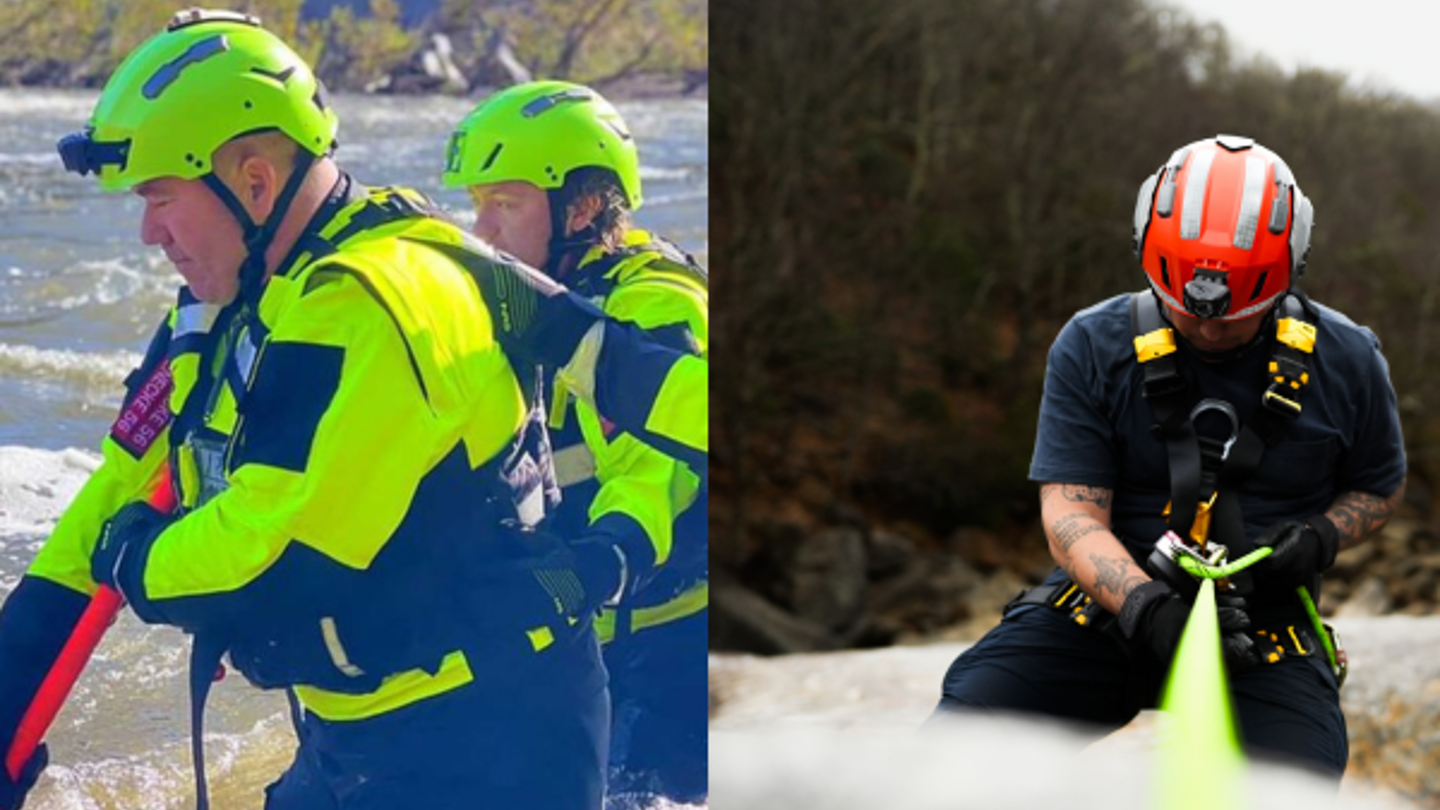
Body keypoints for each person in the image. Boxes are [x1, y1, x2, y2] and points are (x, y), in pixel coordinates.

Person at [0, 10, 622, 809]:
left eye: (160, 198)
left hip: (485, 739)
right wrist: (12, 692)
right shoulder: (228, 301)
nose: (148, 231)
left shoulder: (372, 299)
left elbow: (270, 551)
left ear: (254, 181)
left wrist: (136, 562)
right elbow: (119, 487)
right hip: (352, 732)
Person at [927, 134, 1406, 779]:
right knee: (956, 746)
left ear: (1292, 269)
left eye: (1235, 317)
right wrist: (1145, 605)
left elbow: (1378, 487)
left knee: (1297, 788)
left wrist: (1319, 537)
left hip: (1261, 627)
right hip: (1107, 605)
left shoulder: (1348, 359)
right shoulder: (1093, 344)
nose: (1208, 329)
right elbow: (1070, 515)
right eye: (1187, 311)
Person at [442, 80, 709, 800]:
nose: (483, 230)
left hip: (670, 640)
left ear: (583, 206)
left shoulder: (651, 304)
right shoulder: (521, 296)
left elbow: (657, 471)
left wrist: (606, 556)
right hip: (572, 630)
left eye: (506, 203)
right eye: (477, 205)